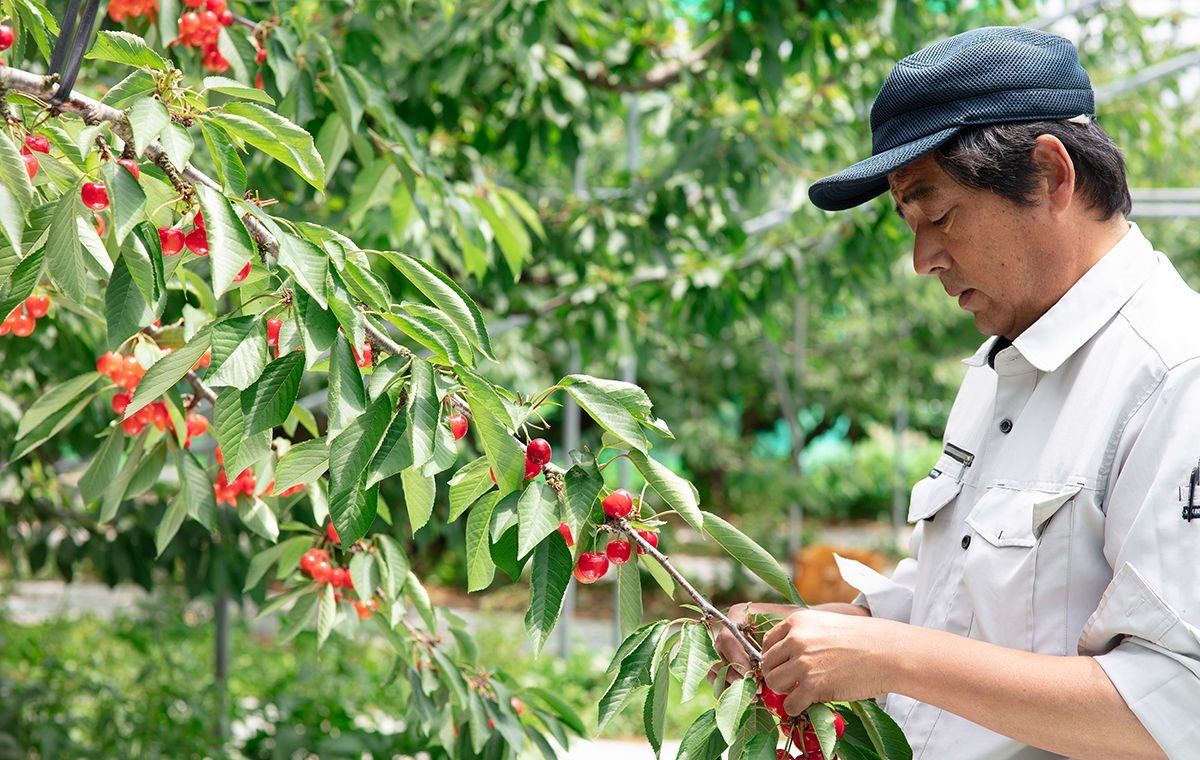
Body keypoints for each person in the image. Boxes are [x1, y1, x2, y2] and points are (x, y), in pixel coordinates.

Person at [713, 26, 1200, 760]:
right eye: (910, 226)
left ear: (1049, 175)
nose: (923, 260)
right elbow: (978, 600)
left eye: (937, 216)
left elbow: (1175, 709)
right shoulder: (1002, 368)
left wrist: (888, 656)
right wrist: (832, 627)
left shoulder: (1172, 376)